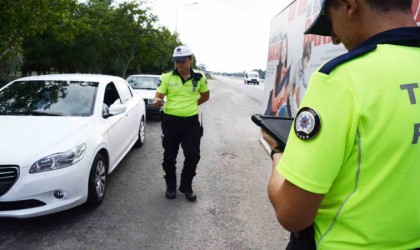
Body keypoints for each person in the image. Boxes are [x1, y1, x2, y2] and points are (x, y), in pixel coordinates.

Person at [263, 0, 420, 249]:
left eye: (331, 23)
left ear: (349, 5)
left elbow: (291, 214)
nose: (335, 39)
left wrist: (276, 153)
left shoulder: (341, 81)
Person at [153, 45, 210, 202]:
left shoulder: (199, 77)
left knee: (193, 156)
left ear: (190, 60)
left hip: (191, 123)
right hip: (170, 122)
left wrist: (191, 105)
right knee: (169, 157)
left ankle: (186, 186)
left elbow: (205, 96)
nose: (179, 65)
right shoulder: (166, 77)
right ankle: (170, 186)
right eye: (176, 62)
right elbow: (158, 97)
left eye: (182, 61)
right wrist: (157, 102)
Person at [288, 40, 312, 117]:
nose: (307, 64)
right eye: (307, 60)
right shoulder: (298, 68)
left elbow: (303, 85)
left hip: (293, 95)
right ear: (304, 57)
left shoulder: (302, 69)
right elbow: (294, 90)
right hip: (291, 96)